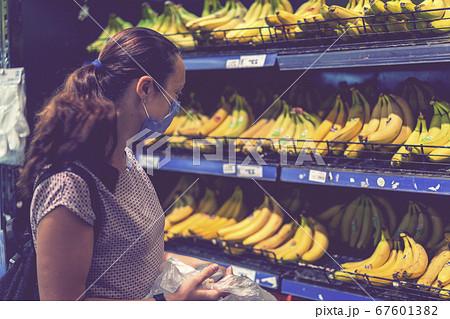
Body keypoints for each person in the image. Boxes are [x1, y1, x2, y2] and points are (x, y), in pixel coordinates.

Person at [18, 27, 232, 301]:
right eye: (176, 94)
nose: (177, 105)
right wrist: (170, 304)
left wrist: (207, 271)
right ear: (145, 88)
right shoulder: (68, 187)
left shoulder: (126, 159)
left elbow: (140, 255)